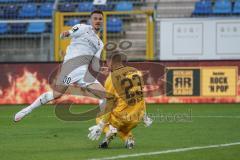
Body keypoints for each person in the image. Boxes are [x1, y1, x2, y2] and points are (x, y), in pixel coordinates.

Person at [14, 10, 107, 122]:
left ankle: (102, 125)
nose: (97, 21)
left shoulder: (99, 43)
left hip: (82, 72)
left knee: (58, 94)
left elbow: (95, 63)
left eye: (100, 19)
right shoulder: (82, 28)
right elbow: (68, 33)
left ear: (102, 21)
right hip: (70, 67)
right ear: (91, 20)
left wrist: (101, 69)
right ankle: (27, 110)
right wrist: (65, 34)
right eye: (95, 18)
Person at [87, 52, 153, 149]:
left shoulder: (111, 79)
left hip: (120, 118)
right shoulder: (137, 73)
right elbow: (140, 95)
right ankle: (128, 139)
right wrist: (145, 116)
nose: (106, 65)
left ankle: (109, 131)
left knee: (100, 116)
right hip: (136, 118)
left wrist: (101, 126)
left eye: (106, 63)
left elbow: (109, 104)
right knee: (123, 130)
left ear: (110, 62)